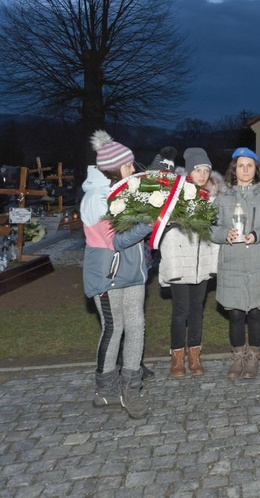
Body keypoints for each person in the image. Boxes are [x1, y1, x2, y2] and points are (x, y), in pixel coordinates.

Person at [82, 130, 153, 419]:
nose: (133, 170)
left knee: (136, 326)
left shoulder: (122, 192)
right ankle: (105, 390)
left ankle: (130, 389)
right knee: (114, 329)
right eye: (128, 165)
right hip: (108, 276)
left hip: (133, 272)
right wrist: (151, 221)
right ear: (114, 168)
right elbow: (117, 241)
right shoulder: (96, 200)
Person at [211, 147, 260, 380]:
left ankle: (253, 358)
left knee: (255, 312)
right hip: (232, 262)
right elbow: (209, 226)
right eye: (240, 165)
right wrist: (224, 234)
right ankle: (237, 358)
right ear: (234, 169)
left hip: (258, 262)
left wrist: (258, 234)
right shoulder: (222, 194)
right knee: (235, 313)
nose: (245, 170)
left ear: (256, 169)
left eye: (250, 165)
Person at [158, 147, 220, 378]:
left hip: (201, 264)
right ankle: (176, 358)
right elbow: (165, 233)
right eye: (198, 170)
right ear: (189, 172)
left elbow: (214, 235)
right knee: (180, 310)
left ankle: (194, 356)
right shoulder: (175, 197)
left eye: (206, 170)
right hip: (179, 263)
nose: (202, 174)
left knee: (197, 310)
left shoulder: (211, 199)